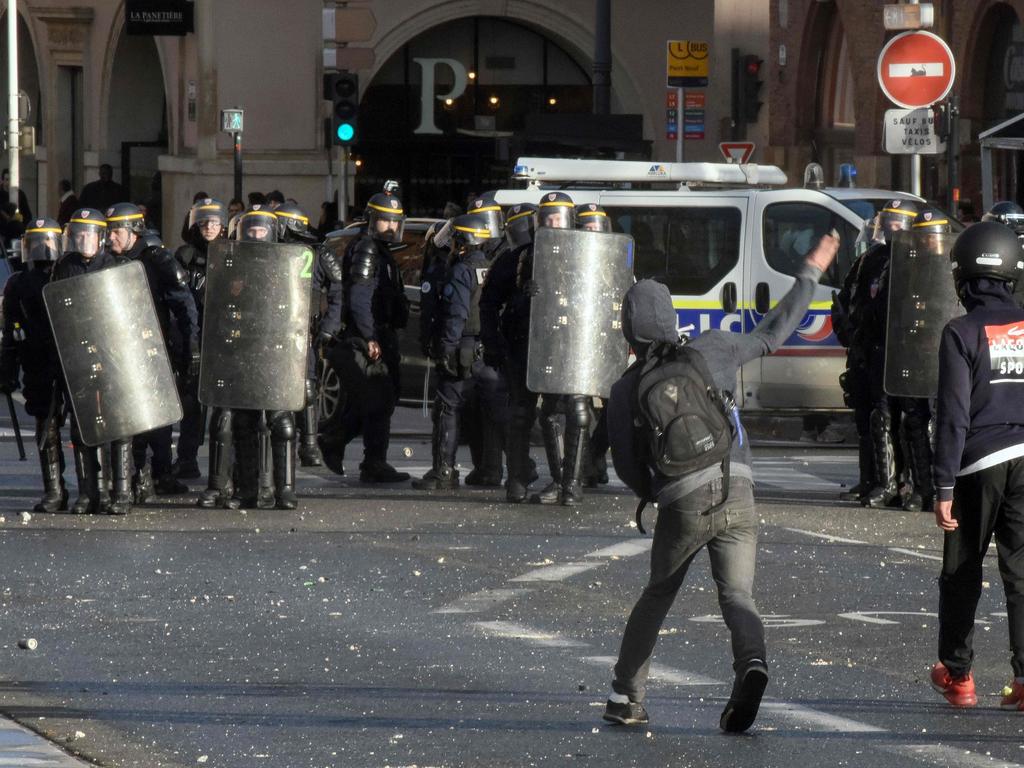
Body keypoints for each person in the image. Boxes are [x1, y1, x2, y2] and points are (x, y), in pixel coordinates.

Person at [603, 233, 839, 733]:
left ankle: (626, 696)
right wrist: (811, 272)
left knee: (658, 594)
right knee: (737, 596)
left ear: (629, 329)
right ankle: (751, 663)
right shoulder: (715, 348)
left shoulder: (625, 390)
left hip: (682, 498)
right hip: (738, 486)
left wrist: (657, 490)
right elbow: (775, 332)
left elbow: (625, 464)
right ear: (671, 318)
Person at [931, 221, 1024, 710]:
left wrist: (942, 483)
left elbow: (953, 413)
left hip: (977, 463)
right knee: (1022, 573)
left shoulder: (961, 331)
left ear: (962, 277)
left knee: (962, 570)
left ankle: (959, 675)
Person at [105, 203, 199, 506]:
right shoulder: (109, 261)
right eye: (108, 232)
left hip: (155, 346)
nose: (110, 238)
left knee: (157, 416)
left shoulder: (158, 260)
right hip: (120, 350)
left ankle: (159, 473)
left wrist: (190, 347)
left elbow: (183, 307)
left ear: (134, 231)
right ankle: (133, 475)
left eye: (116, 232)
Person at [319, 191, 410, 483]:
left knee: (376, 400)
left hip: (381, 333)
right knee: (378, 399)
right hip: (368, 337)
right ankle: (366, 458)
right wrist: (370, 337)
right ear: (372, 220)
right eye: (385, 220)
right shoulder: (368, 249)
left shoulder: (379, 249)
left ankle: (358, 453)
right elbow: (360, 296)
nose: (391, 226)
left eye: (395, 221)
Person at [412, 213, 507, 490]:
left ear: (463, 241)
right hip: (487, 351)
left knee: (447, 408)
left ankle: (444, 471)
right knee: (488, 412)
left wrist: (446, 348)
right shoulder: (490, 266)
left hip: (462, 347)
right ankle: (490, 470)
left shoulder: (460, 270)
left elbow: (456, 314)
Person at [837, 198, 920, 508]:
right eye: (887, 223)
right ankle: (872, 477)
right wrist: (847, 326)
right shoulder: (871, 258)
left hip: (901, 351)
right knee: (868, 414)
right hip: (868, 348)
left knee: (902, 418)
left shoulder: (915, 258)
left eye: (896, 224)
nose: (888, 229)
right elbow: (848, 297)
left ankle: (907, 482)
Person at [51, 208, 126, 513]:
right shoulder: (65, 266)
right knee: (80, 427)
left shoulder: (114, 265)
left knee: (111, 425)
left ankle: (111, 491)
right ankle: (86, 491)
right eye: (78, 234)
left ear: (100, 237)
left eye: (88, 234)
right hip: (76, 353)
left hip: (107, 355)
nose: (82, 239)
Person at [0, 220, 68, 512]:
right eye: (36, 243)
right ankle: (54, 489)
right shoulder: (18, 282)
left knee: (84, 426)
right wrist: (7, 369)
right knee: (45, 422)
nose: (42, 250)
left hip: (70, 359)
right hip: (37, 358)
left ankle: (95, 488)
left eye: (48, 243)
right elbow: (11, 330)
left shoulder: (68, 273)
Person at [275, 201, 344, 471]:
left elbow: (337, 288)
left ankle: (310, 443)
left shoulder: (318, 252)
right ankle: (284, 441)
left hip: (306, 329)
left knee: (307, 386)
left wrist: (329, 325)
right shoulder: (270, 251)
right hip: (275, 328)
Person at [480, 202, 540, 502]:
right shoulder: (512, 260)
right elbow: (489, 304)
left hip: (548, 347)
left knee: (549, 415)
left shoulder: (559, 254)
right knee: (521, 414)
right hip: (521, 346)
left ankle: (563, 481)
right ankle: (518, 478)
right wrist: (494, 345)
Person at [174, 197, 228, 479]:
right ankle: (187, 458)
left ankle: (223, 467)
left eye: (215, 222)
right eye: (204, 222)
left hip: (223, 337)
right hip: (194, 336)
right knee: (192, 402)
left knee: (225, 405)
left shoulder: (231, 254)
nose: (209, 227)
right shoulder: (184, 256)